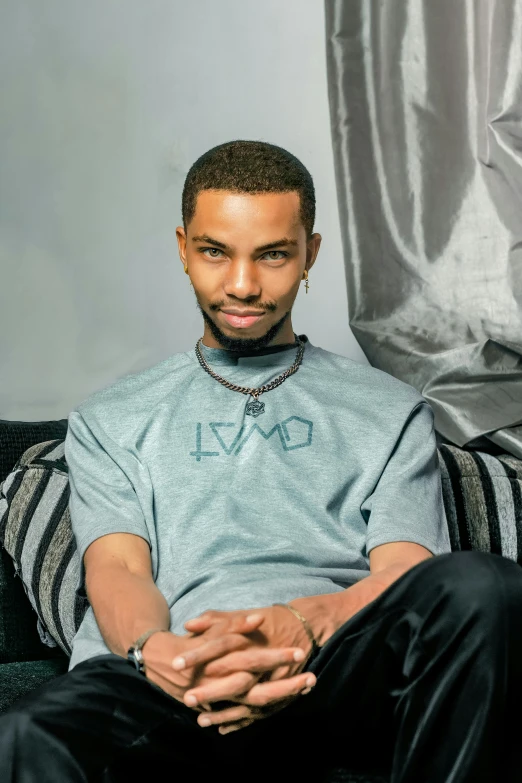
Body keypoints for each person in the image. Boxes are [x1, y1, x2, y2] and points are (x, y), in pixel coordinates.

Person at [1, 140, 522, 783]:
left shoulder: (391, 410)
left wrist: (303, 624)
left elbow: (407, 569)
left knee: (486, 586)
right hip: (171, 678)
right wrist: (157, 652)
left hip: (334, 673)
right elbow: (117, 569)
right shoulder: (111, 419)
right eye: (216, 251)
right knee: (24, 734)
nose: (243, 285)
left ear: (310, 254)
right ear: (184, 248)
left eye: (272, 254)